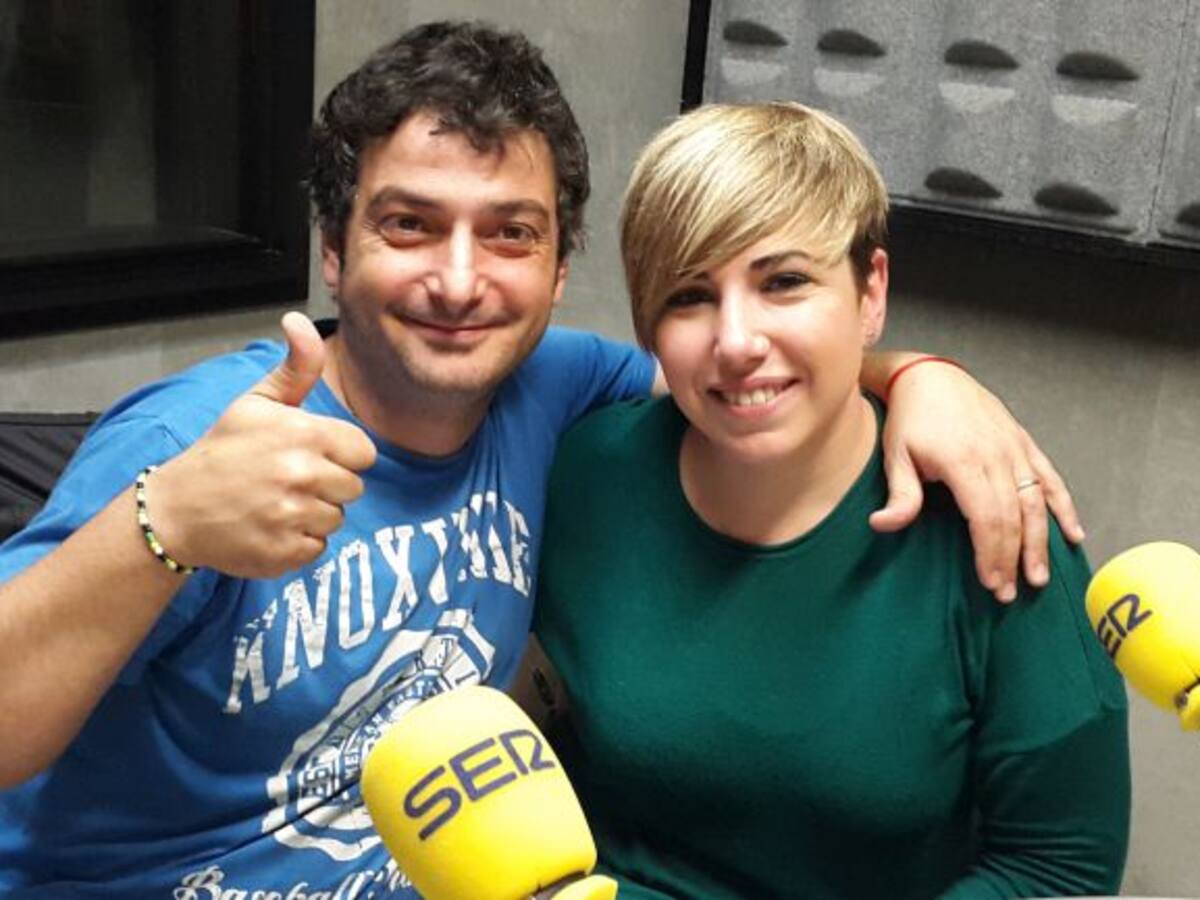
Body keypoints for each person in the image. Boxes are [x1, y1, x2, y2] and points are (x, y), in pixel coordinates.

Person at [0, 21, 1081, 897]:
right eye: (409, 225)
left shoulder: (555, 387)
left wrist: (921, 375)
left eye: (510, 233)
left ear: (561, 269)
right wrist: (164, 526)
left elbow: (736, 373)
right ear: (333, 250)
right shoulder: (195, 440)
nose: (460, 281)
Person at [533, 102, 1130, 899]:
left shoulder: (988, 519)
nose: (737, 342)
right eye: (688, 295)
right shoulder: (586, 474)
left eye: (784, 282)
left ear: (870, 290)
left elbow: (1058, 869)